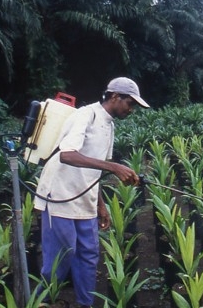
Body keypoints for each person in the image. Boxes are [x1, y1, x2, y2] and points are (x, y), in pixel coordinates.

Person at [33, 77, 150, 307]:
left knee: (88, 257)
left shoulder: (110, 126)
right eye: (130, 103)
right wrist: (115, 167)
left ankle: (85, 304)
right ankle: (38, 301)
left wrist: (101, 206)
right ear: (115, 97)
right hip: (60, 196)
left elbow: (94, 172)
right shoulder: (85, 115)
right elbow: (67, 154)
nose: (132, 110)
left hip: (84, 200)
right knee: (61, 257)